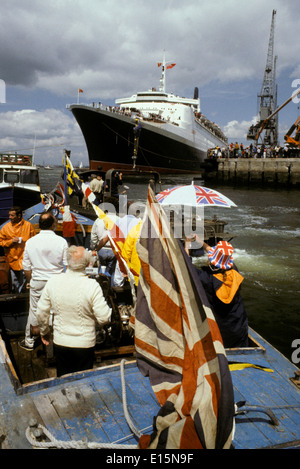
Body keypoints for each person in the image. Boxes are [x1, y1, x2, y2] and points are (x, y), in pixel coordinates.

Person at [36, 246, 111, 377]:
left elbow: (41, 311)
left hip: (61, 342)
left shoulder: (53, 282)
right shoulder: (92, 286)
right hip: (84, 344)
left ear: (67, 262)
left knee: (64, 382)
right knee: (84, 383)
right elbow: (104, 318)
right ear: (89, 264)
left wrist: (44, 331)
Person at [186, 237, 248, 348]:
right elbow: (215, 253)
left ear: (212, 260)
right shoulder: (234, 271)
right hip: (238, 328)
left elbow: (186, 265)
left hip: (219, 333)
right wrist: (201, 242)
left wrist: (187, 244)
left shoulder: (206, 279)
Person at [19, 212, 68, 351]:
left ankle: (29, 341)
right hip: (56, 281)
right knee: (55, 310)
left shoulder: (30, 242)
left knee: (34, 310)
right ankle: (55, 340)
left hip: (38, 281)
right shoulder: (61, 241)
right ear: (53, 225)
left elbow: (26, 267)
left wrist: (29, 281)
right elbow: (67, 265)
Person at [0, 206, 36, 292]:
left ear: (19, 216)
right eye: (9, 215)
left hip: (26, 260)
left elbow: (34, 241)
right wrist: (11, 241)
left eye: (12, 215)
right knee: (14, 284)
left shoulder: (28, 226)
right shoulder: (5, 228)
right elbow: (1, 242)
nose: (10, 217)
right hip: (12, 260)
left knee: (26, 283)